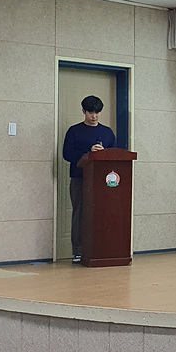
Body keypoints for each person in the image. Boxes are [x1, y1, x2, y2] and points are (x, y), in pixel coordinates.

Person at [62, 95, 117, 263]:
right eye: (91, 113)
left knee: (103, 212)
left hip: (102, 181)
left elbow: (114, 155)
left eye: (97, 113)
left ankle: (102, 248)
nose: (94, 116)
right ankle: (78, 251)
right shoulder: (74, 131)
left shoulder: (107, 132)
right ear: (83, 111)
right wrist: (88, 153)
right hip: (80, 178)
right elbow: (67, 154)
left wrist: (103, 153)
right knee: (80, 213)